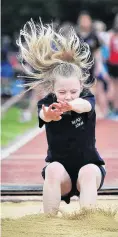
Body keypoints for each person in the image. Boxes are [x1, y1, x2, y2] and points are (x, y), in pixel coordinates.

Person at [17, 19, 106, 214]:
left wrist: (71, 104)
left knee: (89, 171)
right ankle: (48, 221)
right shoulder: (48, 102)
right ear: (53, 89)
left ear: (81, 87)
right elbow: (43, 115)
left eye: (73, 91)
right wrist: (49, 114)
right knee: (52, 169)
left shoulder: (85, 98)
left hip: (89, 171)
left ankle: (89, 220)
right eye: (62, 92)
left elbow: (85, 106)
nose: (68, 96)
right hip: (62, 176)